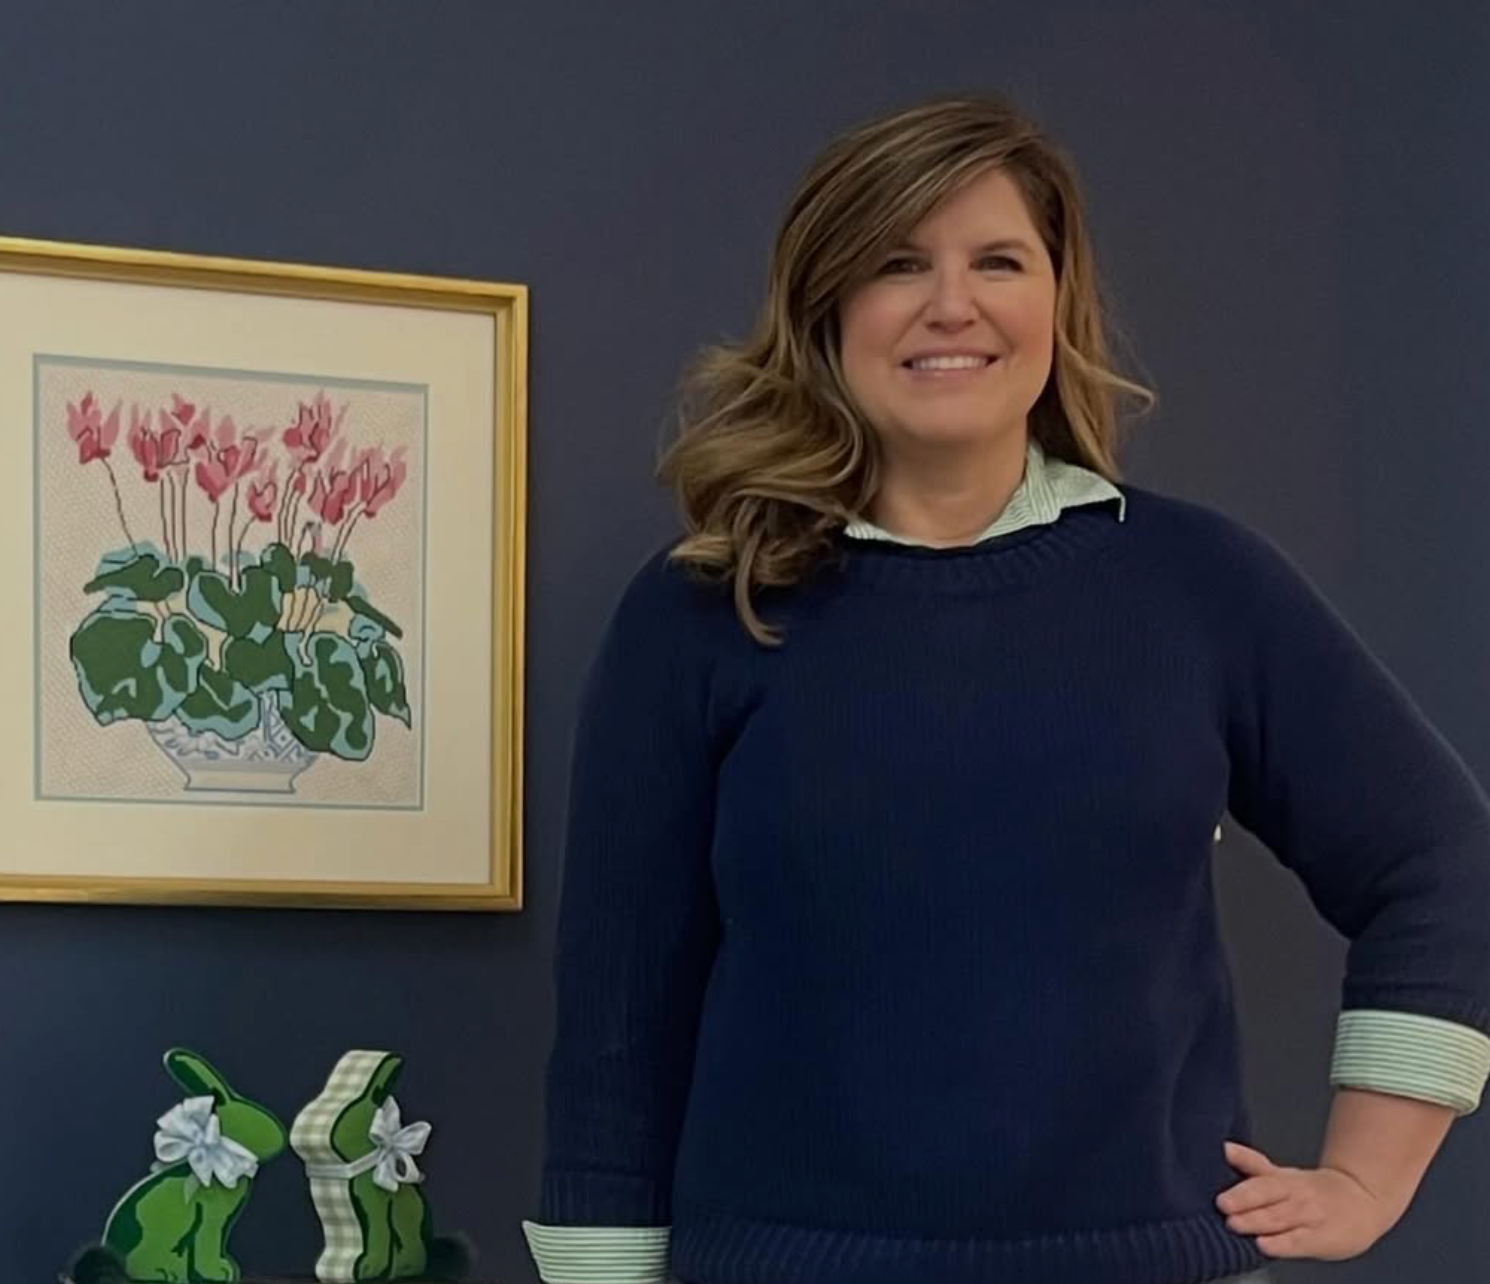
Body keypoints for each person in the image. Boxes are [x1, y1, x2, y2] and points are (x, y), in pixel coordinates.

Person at [522, 92, 1490, 1284]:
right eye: (894, 265)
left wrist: (1367, 1176)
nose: (951, 305)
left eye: (997, 261)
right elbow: (618, 1023)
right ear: (825, 310)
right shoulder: (701, 611)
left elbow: (1441, 861)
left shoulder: (1199, 587)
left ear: (1054, 301)